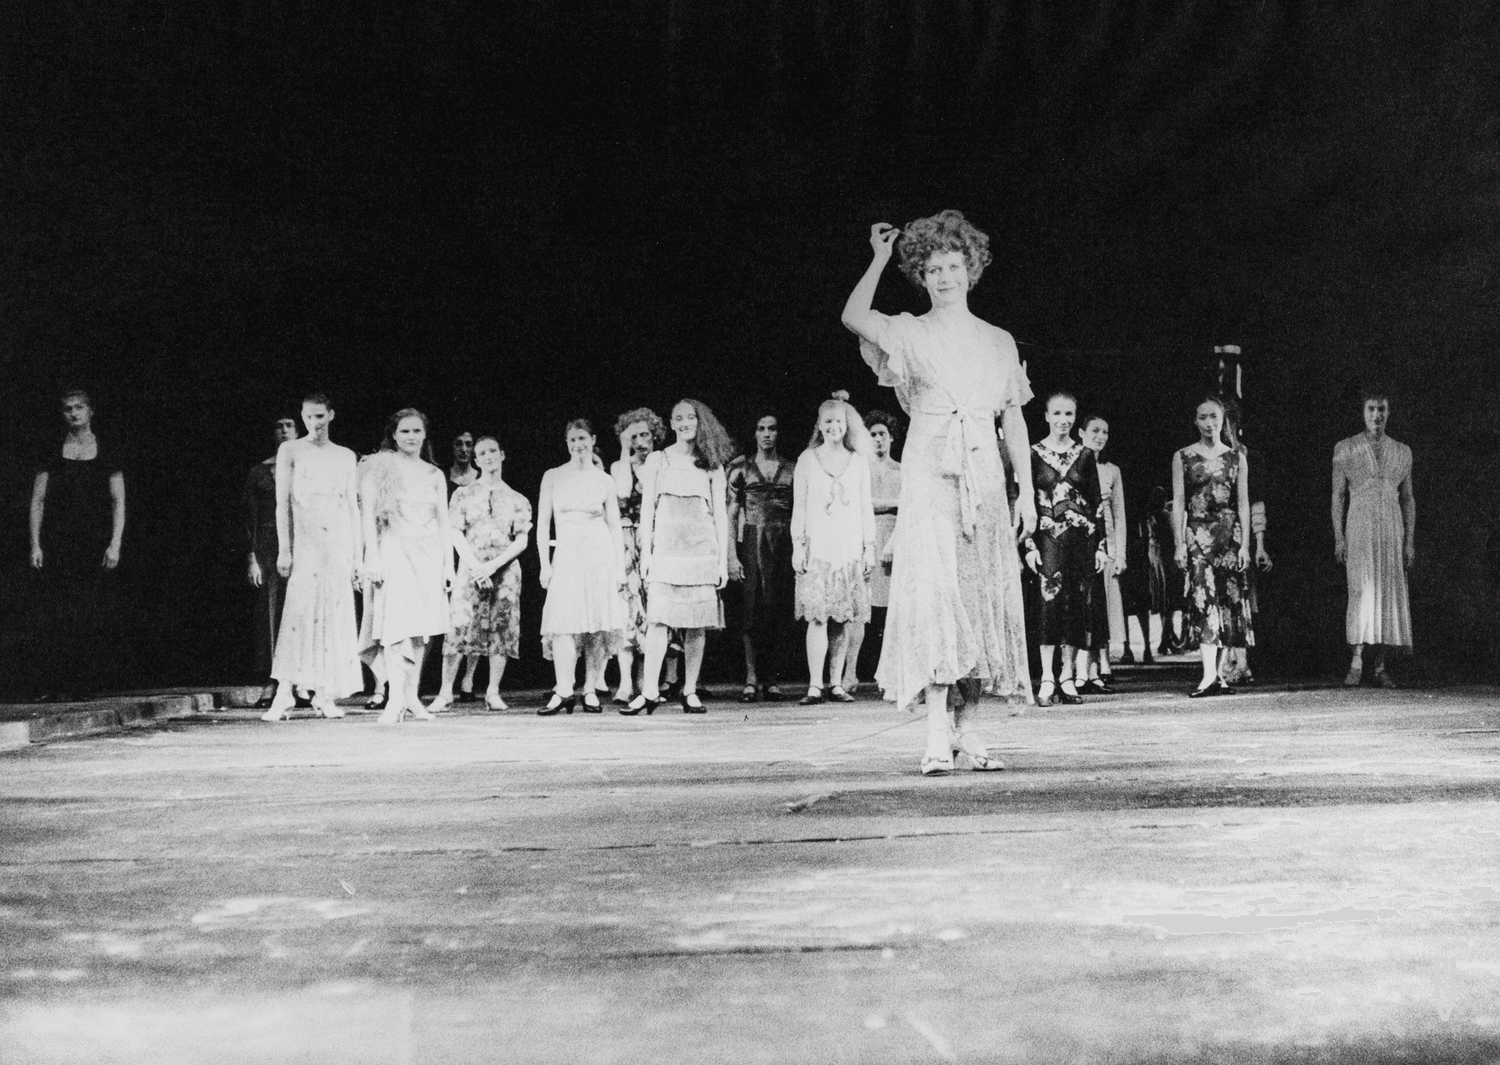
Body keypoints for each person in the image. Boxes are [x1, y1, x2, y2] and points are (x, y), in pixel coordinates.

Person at [842, 210, 1036, 775]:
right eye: (933, 268)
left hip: (984, 478)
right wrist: (879, 257)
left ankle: (967, 729)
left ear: (971, 270)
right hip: (929, 472)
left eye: (954, 265)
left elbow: (1014, 421)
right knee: (934, 595)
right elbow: (854, 315)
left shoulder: (999, 342)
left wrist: (1024, 489)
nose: (945, 276)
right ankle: (932, 731)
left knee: (979, 596)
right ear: (921, 275)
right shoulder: (909, 331)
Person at [623, 399, 732, 715]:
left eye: (691, 418)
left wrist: (722, 560)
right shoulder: (658, 460)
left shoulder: (711, 463)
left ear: (700, 422)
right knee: (659, 620)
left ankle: (690, 690)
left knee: (696, 624)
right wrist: (646, 555)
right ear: (671, 424)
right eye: (679, 418)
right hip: (667, 552)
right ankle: (649, 691)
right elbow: (647, 510)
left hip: (701, 552)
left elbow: (721, 516)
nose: (685, 423)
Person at [259, 393, 363, 721]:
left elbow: (352, 506)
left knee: (333, 615)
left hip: (338, 542)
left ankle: (324, 693)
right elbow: (282, 503)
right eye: (308, 417)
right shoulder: (291, 450)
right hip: (306, 542)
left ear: (331, 415)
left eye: (320, 416)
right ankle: (285, 694)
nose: (314, 423)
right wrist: (285, 549)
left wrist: (357, 557)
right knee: (298, 613)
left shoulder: (346, 456)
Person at [358, 409, 459, 723]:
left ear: (425, 434)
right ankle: (394, 699)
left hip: (428, 554)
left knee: (420, 631)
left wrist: (448, 567)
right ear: (394, 435)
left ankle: (412, 696)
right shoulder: (380, 468)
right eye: (404, 432)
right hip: (394, 550)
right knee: (395, 627)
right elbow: (368, 515)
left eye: (416, 431)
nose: (411, 437)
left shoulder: (434, 474)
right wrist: (371, 557)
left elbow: (444, 522)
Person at [28, 389, 126, 698]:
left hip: (94, 542)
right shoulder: (52, 449)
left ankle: (87, 683)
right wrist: (35, 544)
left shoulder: (106, 449)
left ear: (90, 412)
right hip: (59, 540)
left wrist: (115, 543)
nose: (74, 413)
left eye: (79, 407)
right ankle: (58, 684)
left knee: (90, 611)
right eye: (68, 408)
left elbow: (118, 502)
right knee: (58, 613)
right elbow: (38, 501)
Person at [428, 435, 531, 712]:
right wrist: (476, 567)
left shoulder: (516, 498)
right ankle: (445, 691)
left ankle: (493, 691)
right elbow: (455, 532)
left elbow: (521, 540)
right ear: (476, 460)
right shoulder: (463, 494)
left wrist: (493, 566)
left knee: (501, 628)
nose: (488, 456)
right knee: (459, 626)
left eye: (492, 451)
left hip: (504, 570)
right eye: (482, 453)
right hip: (471, 568)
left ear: (502, 454)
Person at [536, 419, 629, 715]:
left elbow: (614, 525)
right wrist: (544, 564)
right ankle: (564, 688)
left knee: (595, 624)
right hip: (566, 554)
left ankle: (589, 689)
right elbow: (542, 526)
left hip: (598, 554)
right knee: (563, 623)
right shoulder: (553, 476)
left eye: (583, 439)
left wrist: (618, 569)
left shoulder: (604, 480)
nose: (578, 445)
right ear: (567, 443)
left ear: (592, 440)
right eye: (572, 440)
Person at [1024, 393, 1107, 707]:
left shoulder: (1085, 455)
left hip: (1081, 541)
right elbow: (1025, 502)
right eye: (1057, 413)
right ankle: (1047, 677)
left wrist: (1100, 547)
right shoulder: (1032, 454)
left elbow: (1097, 504)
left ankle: (1068, 676)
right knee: (1048, 606)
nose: (1064, 420)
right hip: (1047, 541)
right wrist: (1029, 546)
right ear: (1046, 415)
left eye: (1069, 414)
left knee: (1077, 606)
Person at [793, 396, 876, 704]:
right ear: (819, 425)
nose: (833, 427)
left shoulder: (857, 460)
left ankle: (836, 683)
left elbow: (865, 506)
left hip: (848, 547)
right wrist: (797, 546)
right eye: (827, 421)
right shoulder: (807, 459)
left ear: (846, 425)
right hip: (818, 547)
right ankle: (815, 684)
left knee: (841, 619)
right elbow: (799, 507)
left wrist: (869, 547)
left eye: (838, 421)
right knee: (817, 617)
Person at [1331, 390, 1414, 687]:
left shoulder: (1402, 451)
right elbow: (1338, 496)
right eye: (1371, 408)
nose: (1376, 415)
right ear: (1363, 411)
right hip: (1360, 526)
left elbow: (1408, 499)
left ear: (1388, 412)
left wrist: (1409, 542)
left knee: (1387, 592)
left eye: (1381, 409)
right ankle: (1356, 661)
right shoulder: (1346, 448)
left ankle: (1379, 666)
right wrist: (1339, 538)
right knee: (1361, 591)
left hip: (1391, 528)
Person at [1172, 396, 1253, 697]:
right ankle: (1207, 675)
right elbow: (1179, 503)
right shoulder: (1182, 456)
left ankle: (1218, 676)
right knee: (1203, 598)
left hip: (1228, 536)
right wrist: (1180, 542)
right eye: (1203, 417)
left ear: (1222, 420)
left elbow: (1242, 503)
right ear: (1196, 421)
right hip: (1197, 533)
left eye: (1214, 417)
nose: (1209, 423)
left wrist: (1244, 544)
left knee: (1226, 601)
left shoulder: (1236, 458)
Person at [727, 410, 796, 702]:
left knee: (778, 609)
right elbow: (731, 514)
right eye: (761, 428)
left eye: (772, 428)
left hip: (783, 542)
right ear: (754, 433)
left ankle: (772, 678)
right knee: (751, 609)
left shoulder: (792, 468)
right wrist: (731, 556)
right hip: (752, 540)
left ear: (779, 433)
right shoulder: (741, 468)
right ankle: (751, 677)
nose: (767, 434)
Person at [609, 408, 666, 704]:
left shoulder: (662, 462)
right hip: (628, 541)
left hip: (656, 539)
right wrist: (623, 450)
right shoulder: (620, 466)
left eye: (645, 434)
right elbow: (622, 491)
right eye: (634, 436)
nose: (641, 441)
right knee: (628, 608)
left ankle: (653, 681)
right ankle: (626, 682)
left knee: (656, 608)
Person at [844, 407, 902, 692]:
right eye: (873, 435)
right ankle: (850, 673)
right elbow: (859, 503)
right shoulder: (859, 468)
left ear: (891, 438)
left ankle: (890, 674)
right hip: (865, 538)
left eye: (882, 434)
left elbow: (910, 508)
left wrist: (893, 506)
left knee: (894, 613)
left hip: (894, 539)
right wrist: (895, 502)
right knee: (859, 612)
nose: (878, 439)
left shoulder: (903, 471)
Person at [1221, 401, 1273, 684]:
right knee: (1219, 598)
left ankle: (1241, 660)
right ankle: (1226, 660)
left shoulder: (1247, 457)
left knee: (1240, 597)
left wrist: (1259, 544)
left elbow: (1256, 502)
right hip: (1213, 535)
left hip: (1240, 536)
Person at [1080, 414, 1126, 694]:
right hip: (1081, 542)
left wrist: (1120, 554)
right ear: (1082, 432)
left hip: (1107, 544)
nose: (1100, 436)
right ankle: (1080, 670)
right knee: (1082, 606)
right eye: (1095, 430)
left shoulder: (1112, 471)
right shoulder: (1073, 463)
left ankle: (1100, 666)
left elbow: (1119, 514)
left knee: (1102, 607)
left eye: (1105, 432)